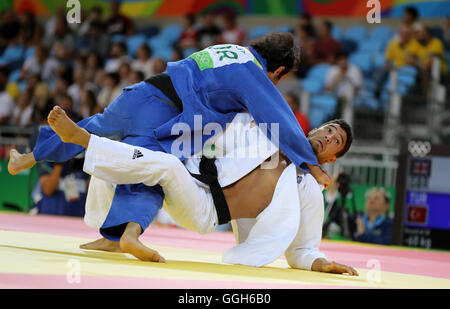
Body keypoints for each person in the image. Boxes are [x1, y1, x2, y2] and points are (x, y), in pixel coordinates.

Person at [8, 32, 331, 249]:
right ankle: (128, 233)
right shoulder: (254, 73)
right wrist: (313, 165)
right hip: (167, 116)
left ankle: (30, 156)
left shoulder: (229, 51)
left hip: (143, 92)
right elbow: (280, 120)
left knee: (102, 124)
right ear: (278, 70)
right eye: (279, 78)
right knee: (151, 168)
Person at [45, 105, 356, 276]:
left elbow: (302, 250)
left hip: (207, 210)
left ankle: (85, 141)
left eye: (336, 142)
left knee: (164, 166)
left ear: (331, 158)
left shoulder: (307, 188)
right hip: (195, 177)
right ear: (314, 129)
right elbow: (221, 135)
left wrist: (322, 264)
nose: (328, 138)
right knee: (129, 157)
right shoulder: (270, 133)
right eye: (328, 130)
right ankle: (112, 236)